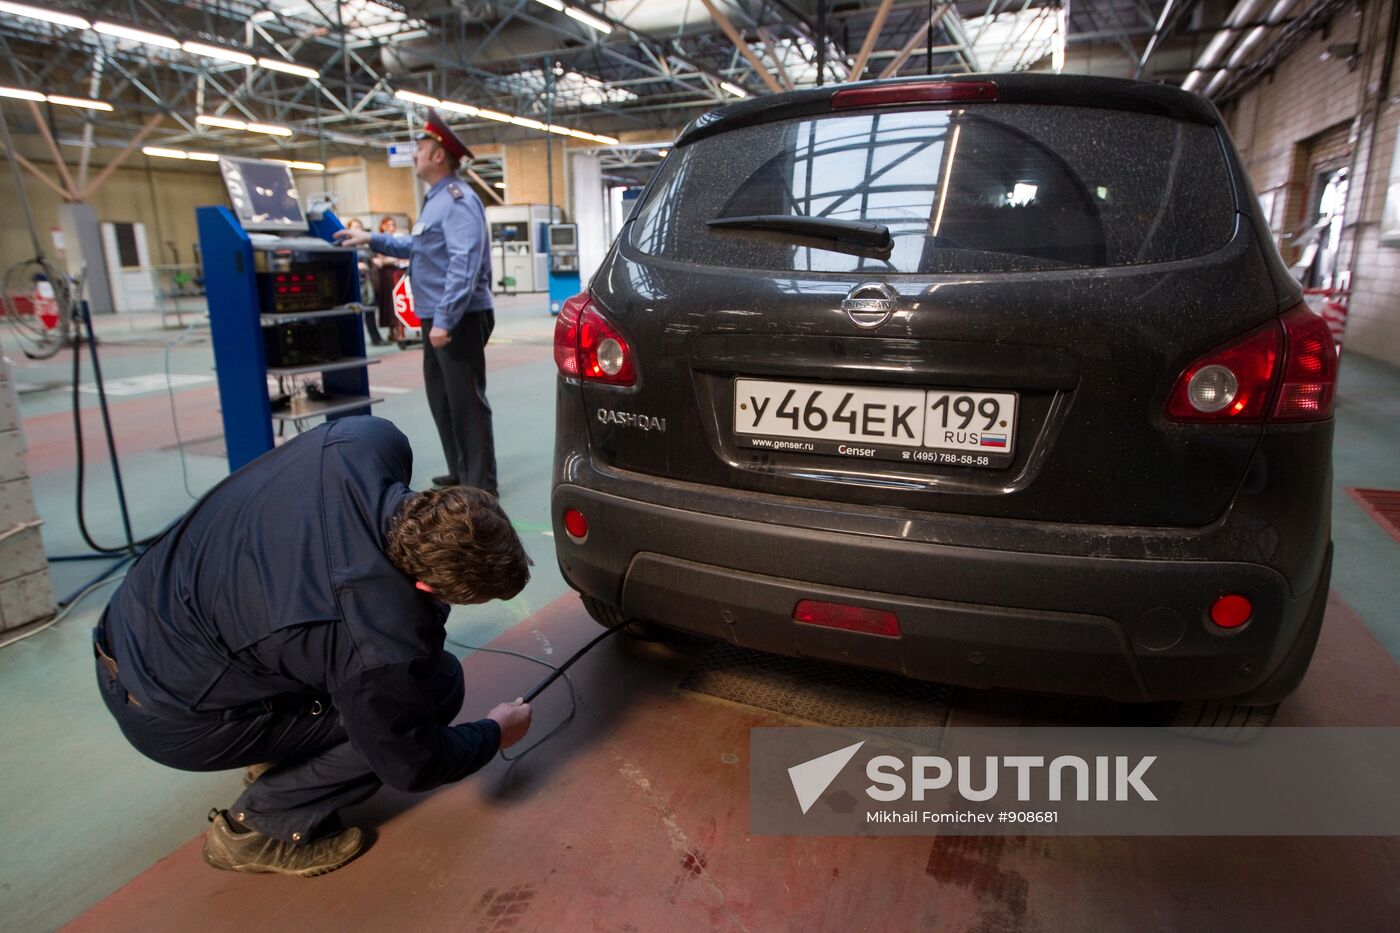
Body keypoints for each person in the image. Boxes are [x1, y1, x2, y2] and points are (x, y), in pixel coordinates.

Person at [93, 415, 533, 877]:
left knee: (378, 669)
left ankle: (281, 748)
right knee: (436, 690)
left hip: (133, 620)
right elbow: (410, 764)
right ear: (426, 586)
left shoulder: (362, 442)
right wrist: (494, 733)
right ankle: (259, 828)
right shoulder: (379, 640)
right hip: (167, 716)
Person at [335, 110, 497, 494]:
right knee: (442, 398)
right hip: (435, 316)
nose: (416, 153)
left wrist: (445, 319)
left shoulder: (457, 200)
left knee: (467, 402)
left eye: (422, 147)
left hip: (457, 318)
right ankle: (460, 470)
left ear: (439, 155)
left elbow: (464, 260)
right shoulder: (436, 200)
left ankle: (480, 485)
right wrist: (370, 239)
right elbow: (420, 246)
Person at [345, 218, 386, 346]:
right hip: (355, 282)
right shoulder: (347, 245)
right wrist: (357, 265)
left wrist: (375, 261)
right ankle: (355, 341)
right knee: (356, 312)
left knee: (370, 311)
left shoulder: (367, 247)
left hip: (368, 281)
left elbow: (375, 258)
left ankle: (375, 338)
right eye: (355, 227)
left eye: (360, 226)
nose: (358, 229)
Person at [374, 216, 410, 344]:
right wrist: (395, 259)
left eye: (393, 225)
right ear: (383, 226)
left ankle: (400, 330)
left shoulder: (398, 238)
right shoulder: (379, 240)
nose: (391, 227)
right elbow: (380, 260)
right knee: (389, 303)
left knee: (400, 302)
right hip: (387, 274)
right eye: (388, 224)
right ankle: (392, 330)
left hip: (398, 272)